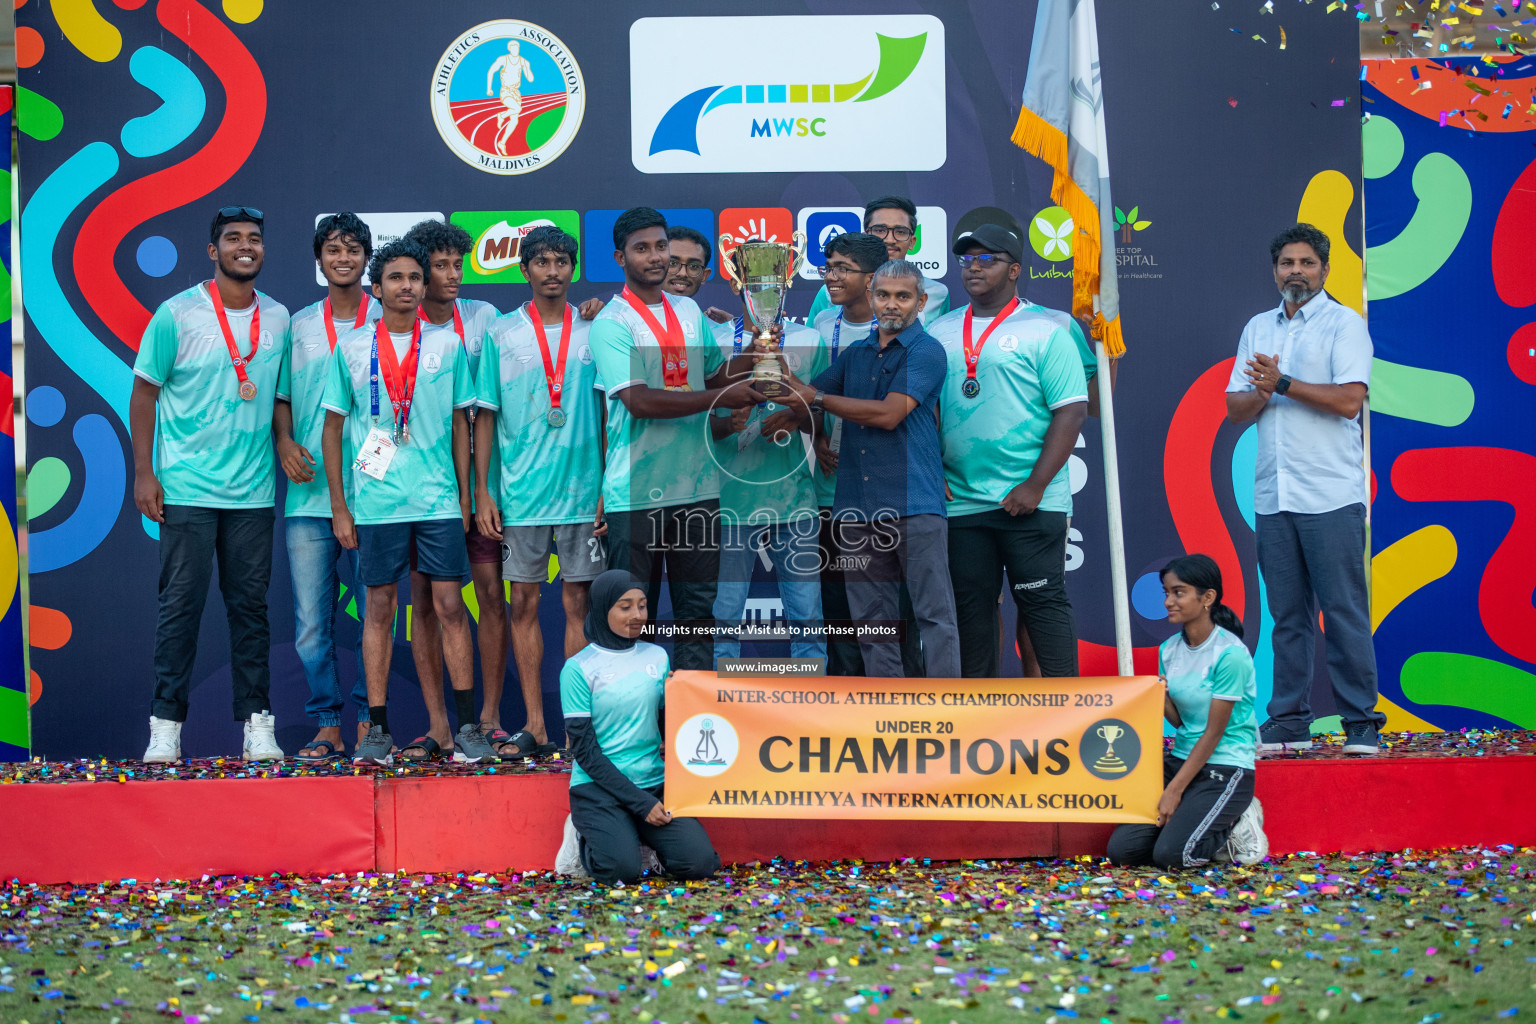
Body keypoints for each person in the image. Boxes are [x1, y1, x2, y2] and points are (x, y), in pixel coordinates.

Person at [320, 240, 493, 765]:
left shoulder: (446, 344)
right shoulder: (351, 349)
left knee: (449, 608)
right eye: (395, 278)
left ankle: (467, 731)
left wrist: (464, 498)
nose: (407, 286)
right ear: (377, 289)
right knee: (378, 608)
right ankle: (377, 731)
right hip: (376, 503)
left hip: (438, 501)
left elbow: (465, 427)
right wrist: (340, 507)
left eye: (415, 277)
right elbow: (331, 430)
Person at [132, 205, 288, 763]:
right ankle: (165, 726)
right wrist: (145, 473)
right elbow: (145, 394)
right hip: (185, 489)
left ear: (263, 250)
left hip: (252, 493)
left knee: (251, 612)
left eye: (253, 238)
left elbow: (280, 398)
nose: (244, 246)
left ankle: (257, 725)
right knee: (181, 609)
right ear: (212, 251)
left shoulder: (279, 318)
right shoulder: (175, 314)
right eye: (232, 239)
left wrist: (287, 441)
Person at [1225, 224, 1382, 755]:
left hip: (1331, 493)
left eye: (1307, 263)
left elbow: (1348, 402)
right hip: (1274, 496)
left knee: (1342, 611)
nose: (1296, 271)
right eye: (1287, 263)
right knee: (1286, 616)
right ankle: (1289, 720)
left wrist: (1282, 382)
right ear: (1275, 271)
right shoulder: (1256, 328)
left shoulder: (1345, 324)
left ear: (1325, 270)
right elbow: (1236, 408)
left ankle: (1360, 723)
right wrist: (1265, 390)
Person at [589, 207, 763, 672]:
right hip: (636, 494)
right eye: (641, 248)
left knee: (696, 616)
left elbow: (710, 373)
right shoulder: (612, 322)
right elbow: (640, 401)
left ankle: (695, 727)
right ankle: (626, 730)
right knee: (627, 615)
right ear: (619, 258)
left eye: (661, 246)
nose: (656, 257)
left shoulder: (687, 310)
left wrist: (752, 355)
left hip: (699, 489)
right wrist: (722, 395)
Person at [779, 259, 959, 678]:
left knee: (934, 619)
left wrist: (815, 398)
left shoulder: (927, 350)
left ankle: (949, 710)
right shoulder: (857, 354)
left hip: (914, 505)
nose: (891, 305)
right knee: (872, 625)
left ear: (921, 301)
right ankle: (888, 711)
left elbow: (889, 414)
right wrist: (772, 362)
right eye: (883, 295)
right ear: (870, 298)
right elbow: (806, 394)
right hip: (857, 510)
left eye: (903, 296)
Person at [931, 225, 1088, 678]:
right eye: (967, 260)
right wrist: (932, 472)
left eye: (987, 259)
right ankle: (980, 719)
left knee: (1042, 604)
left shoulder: (1045, 329)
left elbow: (1071, 412)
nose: (974, 267)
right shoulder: (940, 331)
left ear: (1015, 270)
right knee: (971, 611)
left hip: (1030, 500)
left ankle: (1065, 712)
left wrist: (1035, 485)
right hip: (960, 500)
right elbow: (927, 410)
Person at [473, 226, 603, 759]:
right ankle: (534, 724)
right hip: (521, 495)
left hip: (583, 492)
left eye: (561, 261)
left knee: (579, 606)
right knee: (522, 603)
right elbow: (485, 415)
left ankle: (578, 730)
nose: (552, 271)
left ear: (573, 268)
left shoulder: (597, 329)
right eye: (542, 262)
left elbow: (611, 413)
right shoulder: (500, 334)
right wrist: (483, 491)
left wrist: (607, 488)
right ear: (523, 269)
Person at [275, 213, 381, 762]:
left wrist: (372, 472)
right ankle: (325, 725)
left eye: (354, 248)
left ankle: (368, 721)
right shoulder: (297, 325)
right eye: (334, 248)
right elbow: (281, 398)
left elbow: (403, 406)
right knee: (312, 626)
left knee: (374, 617)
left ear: (368, 258)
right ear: (319, 260)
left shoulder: (389, 319)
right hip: (307, 496)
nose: (344, 257)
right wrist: (286, 444)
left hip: (376, 498)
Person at [400, 221, 509, 752]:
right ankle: (438, 724)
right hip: (422, 489)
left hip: (483, 482)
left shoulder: (485, 318)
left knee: (490, 593)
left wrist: (589, 313)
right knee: (425, 603)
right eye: (439, 267)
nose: (451, 276)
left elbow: (538, 330)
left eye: (456, 265)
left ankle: (487, 716)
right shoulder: (393, 327)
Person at [1106, 555, 1268, 868]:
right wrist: (1161, 695)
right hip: (1181, 758)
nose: (1168, 601)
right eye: (1166, 592)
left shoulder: (1230, 654)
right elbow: (1181, 722)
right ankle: (1193, 821)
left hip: (1225, 764)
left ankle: (1237, 820)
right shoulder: (1169, 649)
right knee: (1122, 852)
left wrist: (1174, 791)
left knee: (1173, 856)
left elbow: (1213, 732)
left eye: (1178, 592)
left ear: (1207, 598)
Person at [559, 569, 721, 883]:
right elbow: (585, 753)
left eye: (643, 605)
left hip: (653, 783)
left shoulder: (658, 656)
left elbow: (669, 723)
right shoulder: (577, 669)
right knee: (621, 870)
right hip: (598, 788)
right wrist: (641, 804)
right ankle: (585, 837)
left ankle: (639, 837)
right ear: (603, 608)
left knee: (700, 864)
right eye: (625, 606)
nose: (637, 615)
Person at [710, 258, 826, 664]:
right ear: (736, 283)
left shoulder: (810, 339)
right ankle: (719, 712)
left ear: (787, 285)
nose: (764, 293)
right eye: (755, 282)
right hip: (727, 503)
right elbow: (695, 416)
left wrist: (797, 414)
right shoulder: (711, 337)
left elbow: (824, 409)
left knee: (808, 617)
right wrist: (728, 423)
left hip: (793, 500)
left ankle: (808, 709)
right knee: (723, 617)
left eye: (774, 284)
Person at [806, 197, 950, 328]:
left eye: (900, 231)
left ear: (912, 242)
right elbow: (812, 347)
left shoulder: (937, 294)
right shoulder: (828, 293)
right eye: (880, 230)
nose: (889, 239)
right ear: (865, 236)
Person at [576, 225, 732, 324]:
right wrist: (590, 315)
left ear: (704, 275)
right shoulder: (613, 318)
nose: (683, 273)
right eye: (673, 263)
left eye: (693, 266)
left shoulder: (710, 326)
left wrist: (734, 328)